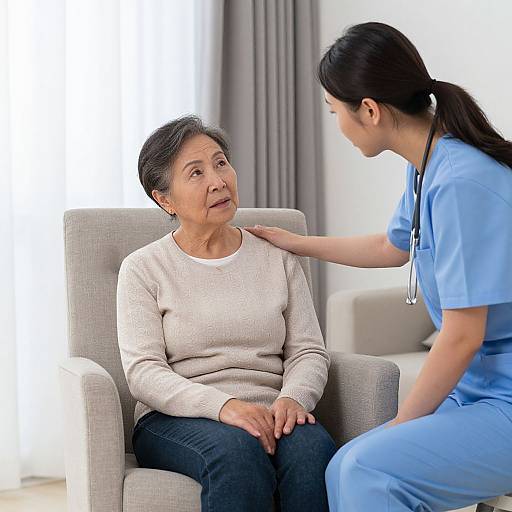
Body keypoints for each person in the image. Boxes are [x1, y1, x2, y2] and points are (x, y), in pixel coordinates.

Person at [246, 22, 512, 512]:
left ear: (368, 110)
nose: (338, 126)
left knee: (365, 468)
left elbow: (462, 335)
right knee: (349, 463)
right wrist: (298, 244)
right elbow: (393, 245)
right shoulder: (427, 165)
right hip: (479, 390)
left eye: (334, 112)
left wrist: (401, 424)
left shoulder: (460, 180)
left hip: (504, 397)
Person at [116, 115, 336, 512]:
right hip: (176, 418)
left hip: (274, 408)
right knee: (236, 453)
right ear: (164, 199)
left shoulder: (276, 257)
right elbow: (144, 372)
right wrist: (223, 407)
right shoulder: (143, 268)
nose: (217, 181)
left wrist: (294, 398)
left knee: (312, 451)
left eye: (220, 163)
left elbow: (307, 350)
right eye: (196, 173)